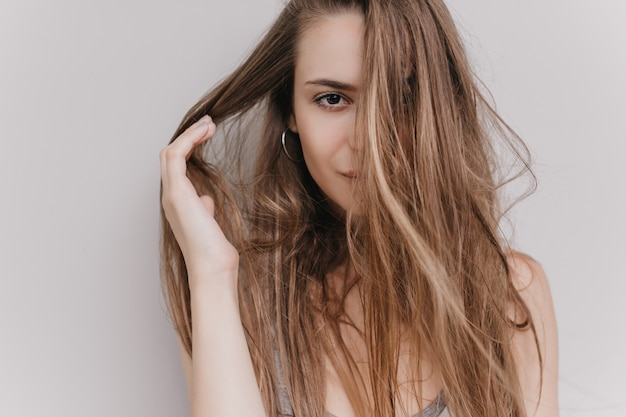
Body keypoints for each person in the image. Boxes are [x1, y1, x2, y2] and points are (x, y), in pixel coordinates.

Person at [159, 0, 559, 416]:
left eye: (401, 97)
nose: (366, 140)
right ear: (289, 111)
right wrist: (211, 274)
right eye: (332, 99)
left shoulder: (510, 295)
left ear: (442, 109)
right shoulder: (236, 298)